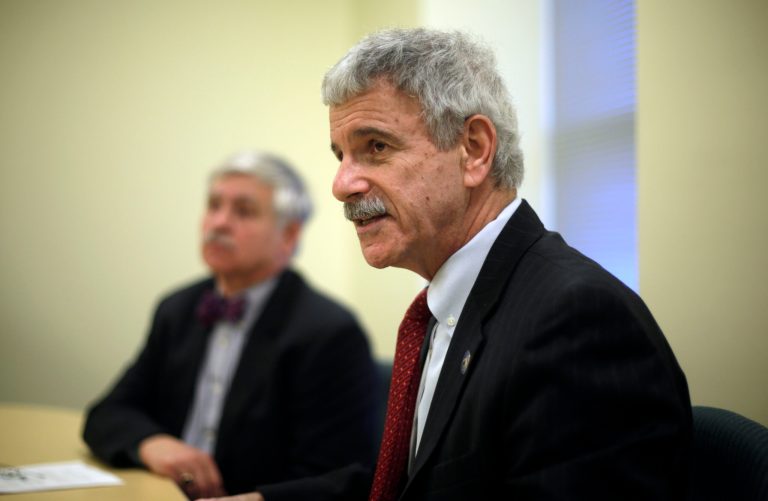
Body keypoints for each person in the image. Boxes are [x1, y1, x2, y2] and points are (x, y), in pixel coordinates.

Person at [201, 27, 692, 501]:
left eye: (376, 147)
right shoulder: (448, 306)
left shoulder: (577, 320)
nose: (341, 183)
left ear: (474, 150)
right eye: (341, 155)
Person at [82, 151, 380, 499]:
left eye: (243, 211)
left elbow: (339, 479)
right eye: (213, 206)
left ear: (289, 235)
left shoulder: (329, 332)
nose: (219, 223)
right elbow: (107, 413)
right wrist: (153, 443)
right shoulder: (177, 309)